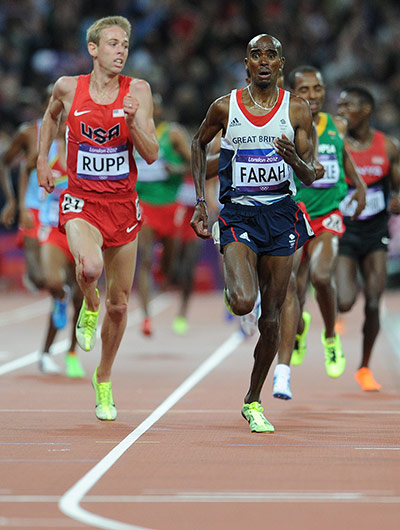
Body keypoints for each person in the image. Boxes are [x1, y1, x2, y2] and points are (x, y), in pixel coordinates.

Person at [191, 34, 316, 433]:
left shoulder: (296, 109)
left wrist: (292, 157)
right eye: (256, 55)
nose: (264, 61)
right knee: (245, 303)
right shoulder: (225, 106)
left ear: (281, 63)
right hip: (238, 216)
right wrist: (200, 202)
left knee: (273, 319)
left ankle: (252, 400)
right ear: (246, 63)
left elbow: (312, 175)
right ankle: (236, 285)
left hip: (281, 218)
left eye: (271, 55)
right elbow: (198, 143)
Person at [36, 16, 158, 421]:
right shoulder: (69, 87)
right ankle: (88, 305)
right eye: (112, 44)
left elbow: (152, 152)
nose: (121, 51)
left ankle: (103, 379)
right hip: (82, 202)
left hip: (123, 206)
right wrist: (42, 159)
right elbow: (51, 116)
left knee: (120, 306)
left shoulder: (137, 91)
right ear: (93, 49)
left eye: (125, 45)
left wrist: (130, 120)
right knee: (89, 268)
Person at [282, 65, 366, 383]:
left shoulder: (338, 126)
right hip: (294, 214)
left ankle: (330, 337)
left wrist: (357, 185)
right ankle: (299, 327)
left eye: (317, 89)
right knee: (289, 286)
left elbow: (343, 158)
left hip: (328, 214)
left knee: (320, 275)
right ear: (293, 94)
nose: (312, 96)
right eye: (304, 90)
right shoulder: (286, 125)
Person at [336, 86, 400, 391]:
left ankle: (364, 367)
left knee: (374, 301)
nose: (341, 110)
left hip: (375, 234)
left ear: (366, 110)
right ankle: (332, 303)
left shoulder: (387, 146)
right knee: (346, 302)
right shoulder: (335, 145)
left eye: (348, 106)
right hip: (345, 232)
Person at [32, 117, 85, 377]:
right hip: (53, 228)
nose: (64, 127)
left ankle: (72, 353)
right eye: (60, 122)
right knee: (52, 282)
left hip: (80, 230)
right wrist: (24, 203)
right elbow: (28, 174)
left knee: (80, 297)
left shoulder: (86, 151)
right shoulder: (46, 151)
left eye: (68, 122)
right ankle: (59, 299)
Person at [135, 94, 191, 336]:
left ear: (159, 110)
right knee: (144, 258)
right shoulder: (133, 131)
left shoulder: (173, 134)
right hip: (143, 204)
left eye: (153, 105)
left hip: (170, 205)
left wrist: (176, 168)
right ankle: (146, 317)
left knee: (169, 269)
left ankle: (163, 267)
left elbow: (196, 163)